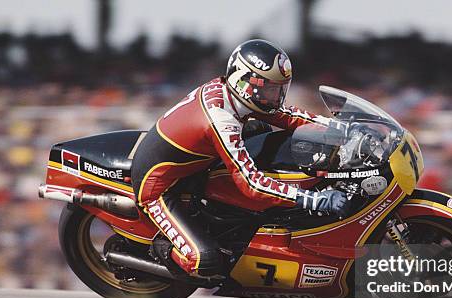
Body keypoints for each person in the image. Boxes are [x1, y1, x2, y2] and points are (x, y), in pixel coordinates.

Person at [131, 39, 350, 278]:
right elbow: (251, 184)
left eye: (279, 89)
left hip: (196, 165)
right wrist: (311, 200)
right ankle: (157, 250)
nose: (276, 97)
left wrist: (342, 128)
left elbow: (290, 116)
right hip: (159, 186)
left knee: (261, 128)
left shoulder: (238, 95)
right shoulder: (221, 118)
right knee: (205, 262)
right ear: (246, 82)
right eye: (269, 89)